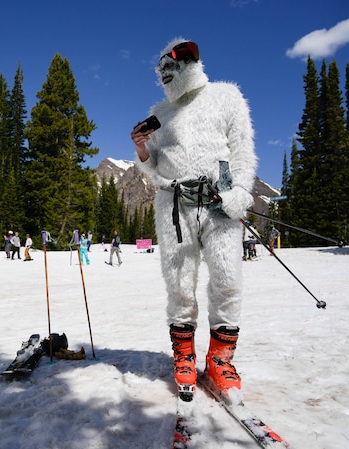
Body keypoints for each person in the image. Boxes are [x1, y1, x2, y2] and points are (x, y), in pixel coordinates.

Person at [130, 38, 256, 400]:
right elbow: (154, 170)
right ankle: (184, 356)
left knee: (227, 279)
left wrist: (240, 193)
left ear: (190, 63)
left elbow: (243, 150)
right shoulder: (160, 112)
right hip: (174, 202)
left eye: (173, 65)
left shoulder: (226, 96)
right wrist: (141, 148)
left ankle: (220, 360)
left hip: (220, 199)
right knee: (179, 282)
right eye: (162, 70)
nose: (167, 73)